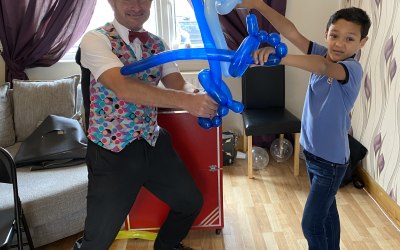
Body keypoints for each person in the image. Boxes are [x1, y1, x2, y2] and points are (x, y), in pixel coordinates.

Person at [74, 0, 219, 249]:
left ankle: (167, 246)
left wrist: (197, 95)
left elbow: (177, 83)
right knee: (96, 242)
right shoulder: (94, 40)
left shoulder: (158, 43)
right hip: (112, 151)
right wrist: (186, 100)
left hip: (153, 143)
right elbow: (123, 87)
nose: (136, 5)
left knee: (190, 202)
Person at [238, 1, 371, 249]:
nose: (339, 43)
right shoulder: (322, 52)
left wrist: (280, 58)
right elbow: (290, 32)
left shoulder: (351, 69)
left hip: (331, 164)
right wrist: (258, 5)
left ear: (361, 43)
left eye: (350, 39)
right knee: (327, 213)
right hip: (311, 154)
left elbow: (323, 67)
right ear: (326, 34)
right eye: (334, 35)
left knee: (310, 224)